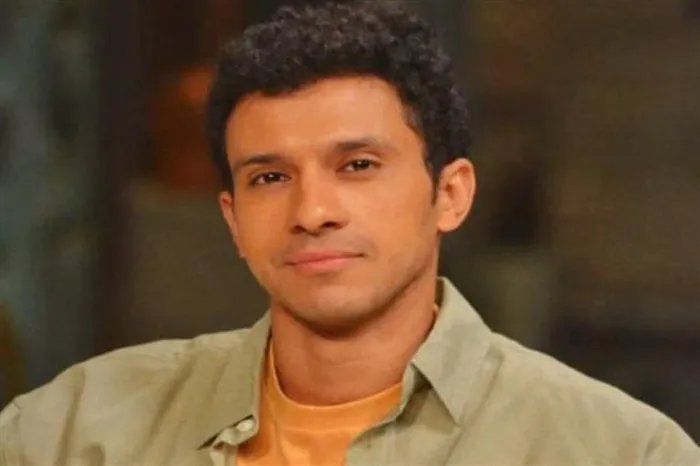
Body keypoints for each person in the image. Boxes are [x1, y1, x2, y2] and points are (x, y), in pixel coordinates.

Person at [1, 2, 698, 465]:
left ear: (450, 194)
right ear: (232, 220)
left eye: (358, 165)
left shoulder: (616, 450)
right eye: (270, 177)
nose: (312, 211)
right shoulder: (75, 428)